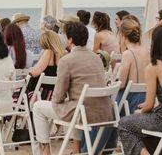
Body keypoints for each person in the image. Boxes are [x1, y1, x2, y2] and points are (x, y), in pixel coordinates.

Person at [33, 22, 112, 155]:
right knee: (75, 105)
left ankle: (45, 150)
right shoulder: (97, 58)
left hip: (82, 113)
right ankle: (76, 150)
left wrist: (59, 100)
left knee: (38, 107)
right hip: (103, 111)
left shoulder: (67, 60)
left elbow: (58, 95)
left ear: (70, 40)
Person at [118, 26, 162, 155]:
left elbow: (149, 105)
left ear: (155, 43)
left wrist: (141, 111)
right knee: (143, 128)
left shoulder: (154, 66)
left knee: (124, 124)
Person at [86, 17, 151, 153]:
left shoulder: (128, 53)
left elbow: (121, 84)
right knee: (110, 111)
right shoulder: (146, 51)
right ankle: (106, 149)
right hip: (145, 97)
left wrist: (111, 83)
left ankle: (92, 149)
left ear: (122, 35)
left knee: (103, 113)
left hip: (130, 100)